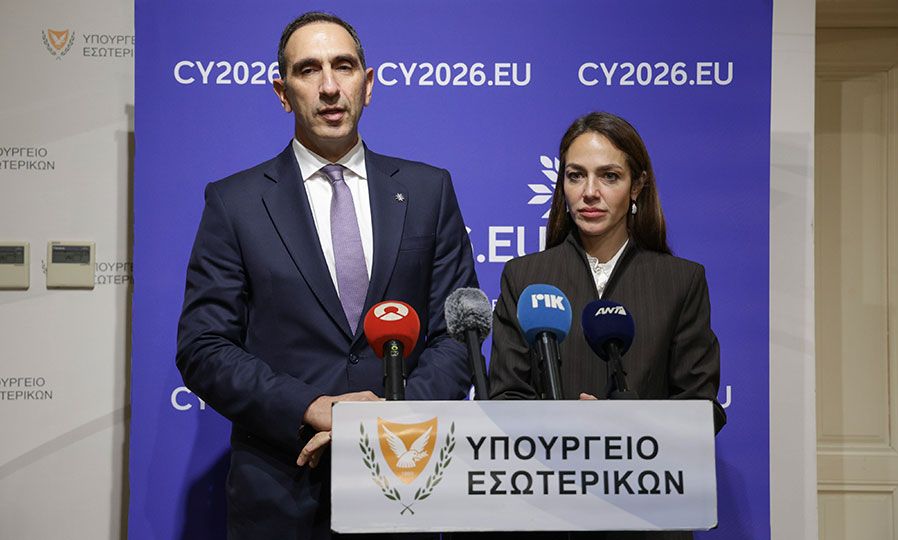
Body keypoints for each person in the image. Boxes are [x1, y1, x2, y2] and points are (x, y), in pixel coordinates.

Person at [176, 11, 477, 539]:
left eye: (344, 66)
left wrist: (388, 422)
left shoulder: (429, 191)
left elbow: (458, 335)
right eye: (308, 69)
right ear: (282, 92)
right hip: (282, 489)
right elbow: (203, 346)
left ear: (368, 83)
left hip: (402, 477)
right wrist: (312, 407)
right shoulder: (235, 203)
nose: (330, 86)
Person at [488, 111, 725, 540]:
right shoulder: (524, 277)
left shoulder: (681, 281)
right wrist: (568, 432)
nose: (590, 193)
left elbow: (701, 409)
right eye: (576, 176)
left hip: (647, 514)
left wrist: (626, 428)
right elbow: (505, 398)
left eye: (609, 176)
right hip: (546, 511)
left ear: (637, 186)